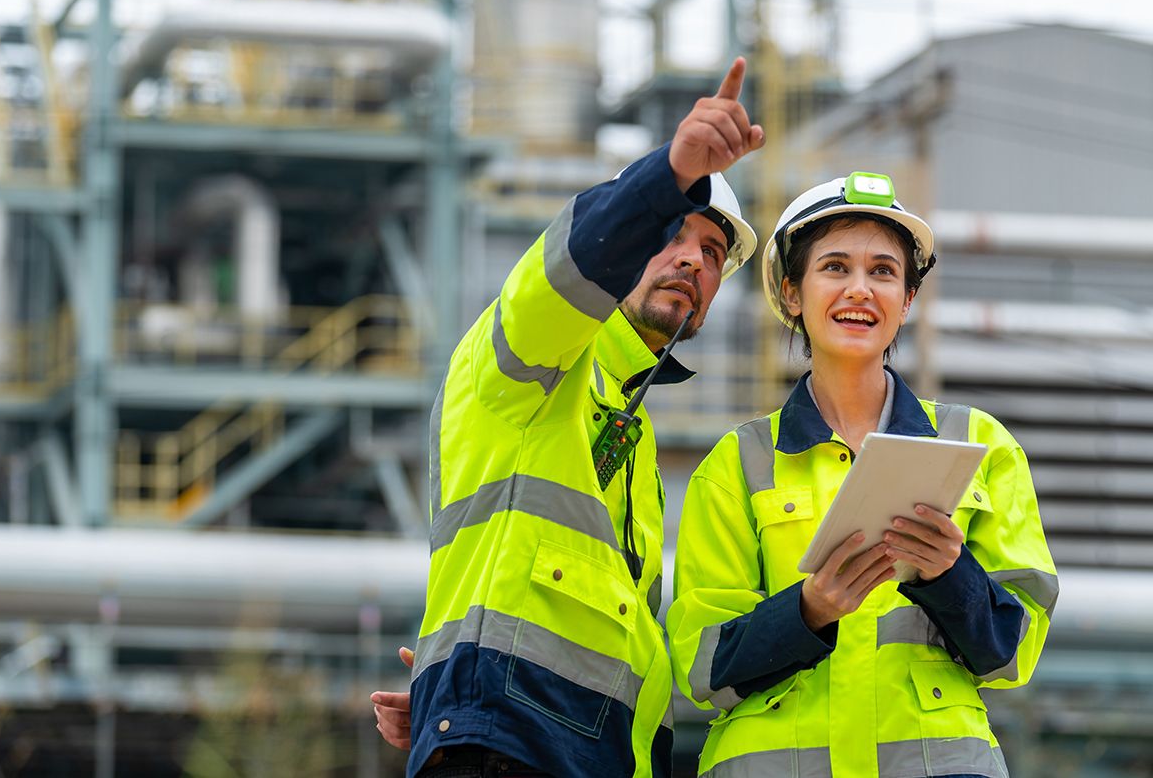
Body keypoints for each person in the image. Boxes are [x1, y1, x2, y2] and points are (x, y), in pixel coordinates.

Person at [373, 58, 765, 778]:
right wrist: (671, 172)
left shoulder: (631, 435)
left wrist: (448, 686)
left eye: (712, 252)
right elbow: (564, 271)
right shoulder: (534, 355)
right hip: (510, 750)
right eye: (671, 233)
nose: (690, 259)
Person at [667, 172, 1058, 778]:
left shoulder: (978, 445)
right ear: (792, 293)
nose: (860, 289)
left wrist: (950, 574)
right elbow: (700, 665)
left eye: (883, 271)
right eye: (835, 268)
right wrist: (809, 609)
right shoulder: (738, 464)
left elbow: (1013, 654)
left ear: (906, 301)